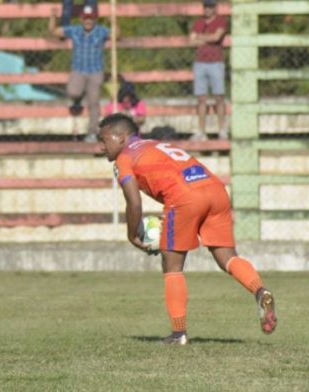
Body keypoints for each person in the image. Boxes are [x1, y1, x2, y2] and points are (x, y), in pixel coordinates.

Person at [97, 113, 277, 345]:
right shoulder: (156, 144)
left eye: (104, 140)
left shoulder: (124, 158)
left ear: (121, 137)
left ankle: (178, 333)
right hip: (215, 190)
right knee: (227, 258)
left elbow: (134, 202)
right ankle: (260, 291)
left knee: (171, 265)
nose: (101, 147)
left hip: (184, 197)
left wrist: (132, 235)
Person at [49, 4, 112, 143]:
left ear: (95, 18)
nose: (88, 21)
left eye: (90, 18)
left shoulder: (101, 31)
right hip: (78, 69)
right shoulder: (75, 30)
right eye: (85, 18)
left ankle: (92, 133)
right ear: (81, 18)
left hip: (95, 71)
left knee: (94, 103)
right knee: (73, 92)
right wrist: (53, 17)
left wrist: (112, 22)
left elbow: (116, 35)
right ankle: (79, 95)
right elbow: (54, 31)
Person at [189, 0, 228, 141]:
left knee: (219, 96)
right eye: (205, 6)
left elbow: (217, 37)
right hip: (200, 63)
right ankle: (201, 131)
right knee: (201, 98)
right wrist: (208, 39)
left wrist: (200, 38)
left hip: (216, 62)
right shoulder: (198, 23)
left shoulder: (220, 21)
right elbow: (191, 41)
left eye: (210, 6)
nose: (207, 9)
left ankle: (222, 129)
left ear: (215, 8)